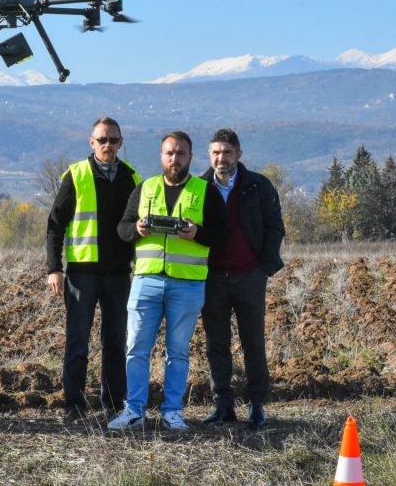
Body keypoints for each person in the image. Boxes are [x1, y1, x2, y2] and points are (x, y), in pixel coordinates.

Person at [110, 131, 226, 431]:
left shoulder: (205, 191)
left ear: (190, 156)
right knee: (135, 347)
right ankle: (133, 410)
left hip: (186, 284)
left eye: (181, 153)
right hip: (146, 280)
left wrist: (196, 233)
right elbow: (122, 229)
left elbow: (222, 236)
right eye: (170, 153)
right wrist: (137, 229)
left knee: (177, 351)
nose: (175, 159)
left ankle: (172, 411)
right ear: (161, 156)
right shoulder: (144, 188)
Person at [46, 117, 141, 424]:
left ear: (121, 143)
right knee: (77, 341)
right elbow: (55, 226)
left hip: (118, 274)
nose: (107, 145)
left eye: (113, 140)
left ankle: (114, 403)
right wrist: (54, 268)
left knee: (116, 341)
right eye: (102, 140)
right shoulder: (76, 175)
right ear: (91, 142)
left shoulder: (132, 177)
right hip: (82, 273)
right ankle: (74, 404)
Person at [200, 128, 284, 428]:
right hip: (212, 279)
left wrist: (264, 267)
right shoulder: (199, 188)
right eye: (215, 153)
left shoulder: (258, 186)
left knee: (253, 341)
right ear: (209, 155)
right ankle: (223, 405)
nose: (221, 158)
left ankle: (257, 404)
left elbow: (275, 227)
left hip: (250, 276)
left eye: (226, 152)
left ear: (238, 154)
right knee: (216, 344)